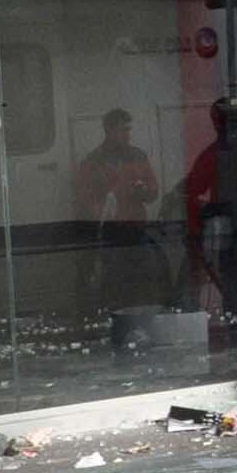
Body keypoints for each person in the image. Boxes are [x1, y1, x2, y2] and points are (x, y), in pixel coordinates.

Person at [70, 108, 162, 319]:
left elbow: (153, 191)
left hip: (137, 229)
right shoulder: (93, 162)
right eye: (123, 130)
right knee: (114, 282)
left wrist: (143, 190)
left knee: (145, 279)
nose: (128, 135)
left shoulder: (138, 156)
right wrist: (103, 210)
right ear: (109, 130)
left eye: (129, 129)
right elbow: (84, 198)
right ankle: (115, 320)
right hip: (110, 234)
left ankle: (142, 320)